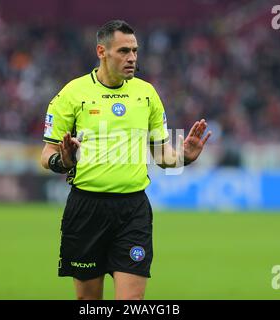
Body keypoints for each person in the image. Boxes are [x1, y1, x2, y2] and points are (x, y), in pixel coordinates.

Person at [40, 20, 212, 300]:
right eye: (123, 51)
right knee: (88, 301)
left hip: (133, 211)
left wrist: (183, 157)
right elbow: (46, 156)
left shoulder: (147, 94)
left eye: (135, 51)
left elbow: (162, 156)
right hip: (86, 209)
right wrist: (65, 161)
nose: (132, 58)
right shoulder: (72, 94)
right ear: (102, 51)